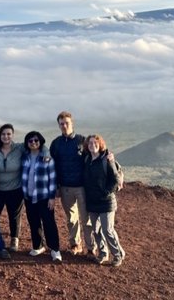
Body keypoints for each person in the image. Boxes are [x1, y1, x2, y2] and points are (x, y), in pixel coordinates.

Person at [0, 124, 50, 252]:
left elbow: (40, 145)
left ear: (12, 135)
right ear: (0, 135)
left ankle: (14, 239)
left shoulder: (19, 148)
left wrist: (46, 153)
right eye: (3, 134)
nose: (6, 136)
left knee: (14, 216)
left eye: (9, 134)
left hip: (15, 189)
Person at [49, 111, 95, 255]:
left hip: (82, 187)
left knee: (86, 219)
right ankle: (75, 244)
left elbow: (95, 155)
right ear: (58, 125)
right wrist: (56, 186)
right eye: (61, 124)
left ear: (72, 123)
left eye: (66, 123)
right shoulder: (56, 143)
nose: (64, 126)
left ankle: (91, 247)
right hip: (65, 187)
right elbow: (53, 166)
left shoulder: (82, 141)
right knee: (71, 219)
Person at [83, 134, 125, 267]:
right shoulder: (87, 159)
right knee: (96, 229)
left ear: (100, 144)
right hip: (92, 201)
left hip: (106, 201)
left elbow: (115, 179)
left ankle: (118, 254)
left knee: (108, 229)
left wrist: (106, 192)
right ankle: (103, 253)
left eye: (95, 143)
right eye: (90, 143)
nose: (92, 145)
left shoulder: (107, 159)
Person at [21, 131, 62, 262]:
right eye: (30, 141)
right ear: (27, 143)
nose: (33, 143)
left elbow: (52, 178)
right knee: (33, 222)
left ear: (40, 142)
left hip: (43, 196)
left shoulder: (47, 158)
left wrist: (52, 197)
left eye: (36, 140)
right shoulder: (25, 157)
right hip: (29, 196)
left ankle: (55, 249)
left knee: (49, 222)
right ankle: (38, 246)